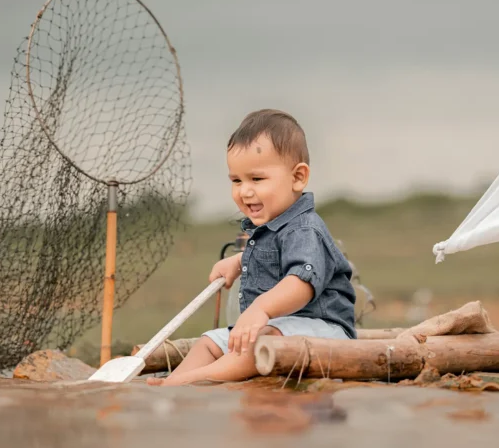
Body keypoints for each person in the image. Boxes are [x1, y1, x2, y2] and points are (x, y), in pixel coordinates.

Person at [148, 109, 356, 386]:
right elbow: (274, 258)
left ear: (298, 177)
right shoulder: (273, 226)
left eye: (257, 179)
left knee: (258, 342)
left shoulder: (305, 228)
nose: (244, 191)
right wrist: (238, 261)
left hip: (322, 330)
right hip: (279, 327)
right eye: (236, 180)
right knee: (210, 341)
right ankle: (177, 379)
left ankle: (194, 380)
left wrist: (261, 309)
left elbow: (301, 282)